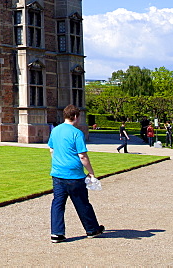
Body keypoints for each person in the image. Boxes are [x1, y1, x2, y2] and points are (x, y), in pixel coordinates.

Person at [48, 104, 105, 243]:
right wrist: (91, 173)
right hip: (74, 175)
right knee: (82, 203)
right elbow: (82, 156)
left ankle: (57, 233)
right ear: (75, 116)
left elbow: (51, 150)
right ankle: (91, 229)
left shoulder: (55, 130)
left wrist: (59, 163)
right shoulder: (77, 133)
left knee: (58, 204)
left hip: (57, 173)